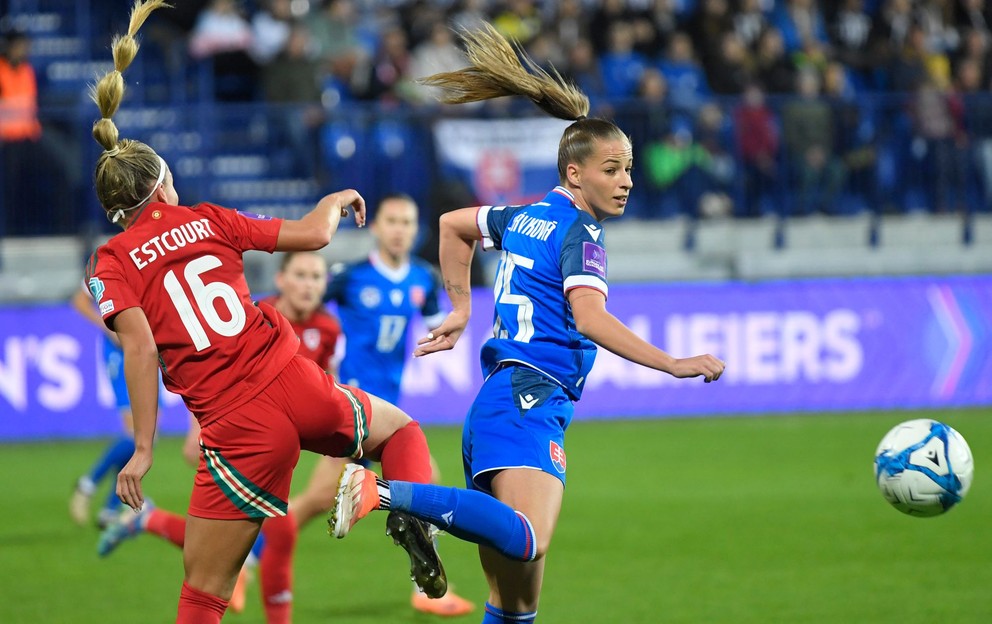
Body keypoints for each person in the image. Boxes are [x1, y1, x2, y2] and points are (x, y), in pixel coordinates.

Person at [328, 23, 725, 624]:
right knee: (529, 538)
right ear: (575, 173)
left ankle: (410, 504)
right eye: (613, 169)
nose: (626, 181)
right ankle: (385, 495)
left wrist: (462, 308)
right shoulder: (580, 233)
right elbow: (590, 319)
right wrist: (673, 362)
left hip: (498, 401)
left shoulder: (526, 215)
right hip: (528, 398)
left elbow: (454, 226)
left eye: (628, 169)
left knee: (516, 604)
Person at [85, 3, 444, 622]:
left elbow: (139, 349)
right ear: (163, 183)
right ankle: (408, 509)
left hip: (236, 426)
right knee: (401, 431)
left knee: (203, 590)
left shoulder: (111, 261)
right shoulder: (208, 218)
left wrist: (142, 448)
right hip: (292, 377)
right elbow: (311, 234)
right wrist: (333, 200)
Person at [96, 251, 341, 622]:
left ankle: (148, 522)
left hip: (275, 443)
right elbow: (216, 368)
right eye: (302, 275)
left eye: (317, 277)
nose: (309, 285)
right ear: (281, 279)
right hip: (235, 434)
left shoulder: (328, 329)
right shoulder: (256, 313)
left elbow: (327, 384)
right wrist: (203, 426)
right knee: (272, 533)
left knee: (246, 540)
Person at [290, 194, 475, 617]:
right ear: (376, 227)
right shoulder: (351, 277)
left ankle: (427, 587)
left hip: (389, 414)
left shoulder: (424, 278)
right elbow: (306, 309)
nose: (399, 229)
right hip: (350, 408)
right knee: (322, 498)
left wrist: (451, 328)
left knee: (424, 489)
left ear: (416, 230)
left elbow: (434, 325)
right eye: (391, 220)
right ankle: (253, 557)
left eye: (407, 222)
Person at [68, 283, 140, 529]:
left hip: (144, 347)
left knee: (146, 436)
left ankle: (110, 508)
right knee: (135, 434)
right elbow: (79, 300)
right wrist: (106, 326)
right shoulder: (106, 264)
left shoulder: (146, 257)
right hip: (120, 351)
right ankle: (89, 483)